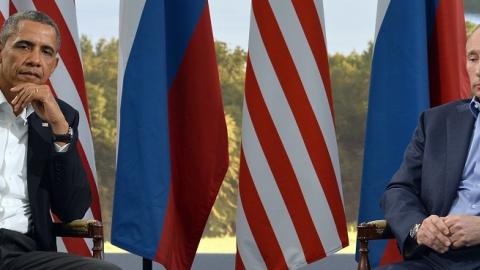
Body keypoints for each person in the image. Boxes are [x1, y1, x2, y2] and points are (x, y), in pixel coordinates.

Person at [0, 10, 119, 270]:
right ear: (1, 50)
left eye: (46, 52)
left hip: (22, 254)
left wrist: (60, 130)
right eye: (24, 46)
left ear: (53, 65)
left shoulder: (61, 117)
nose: (34, 60)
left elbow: (71, 209)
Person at [379, 25, 480, 270]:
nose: (479, 70)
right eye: (473, 58)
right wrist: (419, 227)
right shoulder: (436, 121)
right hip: (435, 258)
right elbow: (398, 189)